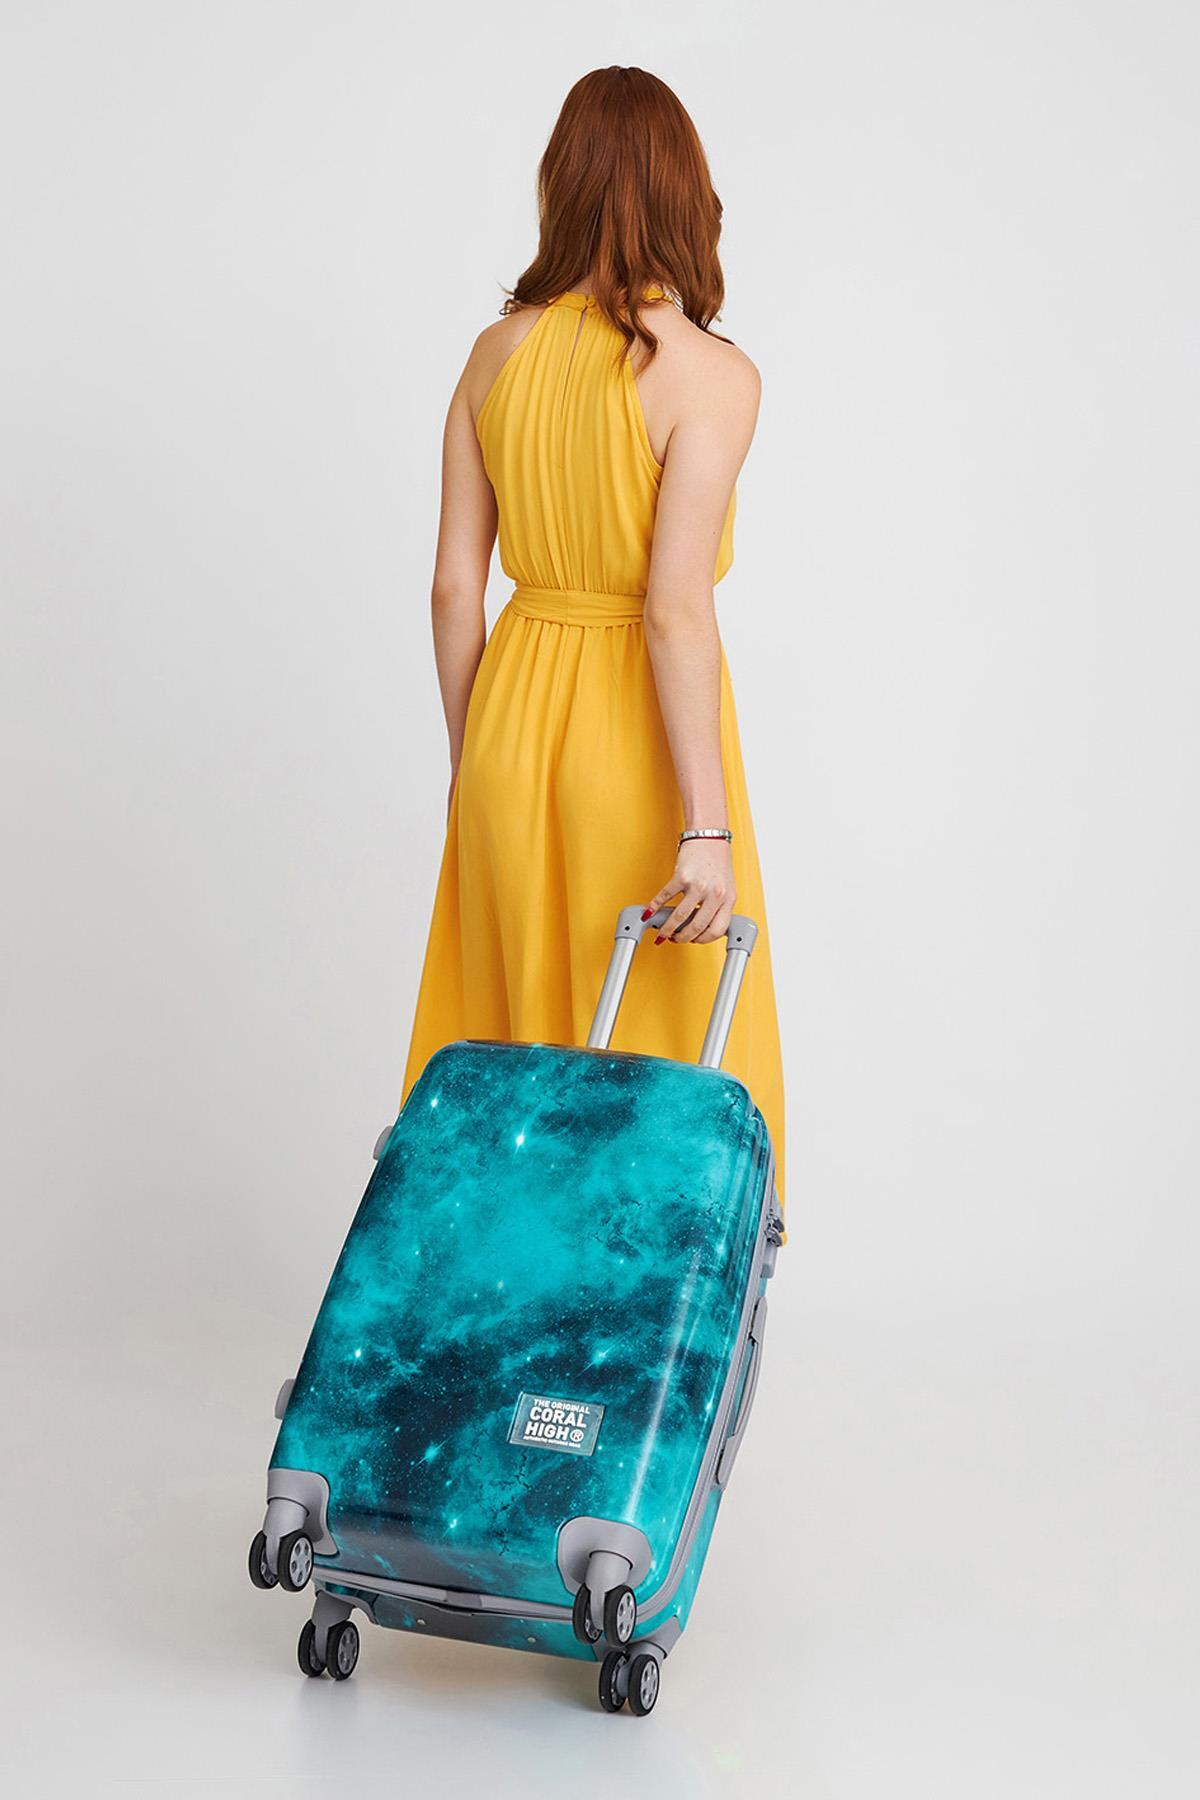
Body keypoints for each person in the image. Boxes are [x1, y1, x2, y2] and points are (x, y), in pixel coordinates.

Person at [401, 65, 786, 1210]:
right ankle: (631, 1319)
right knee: (655, 1058)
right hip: (637, 744)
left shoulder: (495, 355)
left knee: (513, 1065)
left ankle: (499, 1313)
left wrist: (477, 763)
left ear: (560, 187)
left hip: (511, 722)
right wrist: (705, 828)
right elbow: (672, 608)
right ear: (686, 194)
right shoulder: (711, 377)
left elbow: (452, 588)